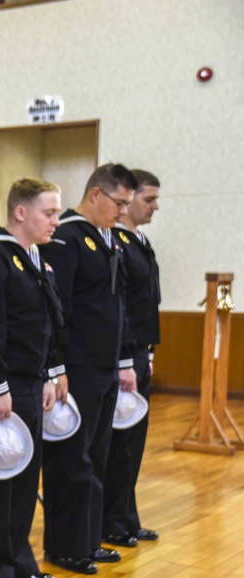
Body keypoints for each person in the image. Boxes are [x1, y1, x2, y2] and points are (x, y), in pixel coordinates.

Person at [38, 163, 139, 575]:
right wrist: (56, 364)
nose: (123, 212)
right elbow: (58, 306)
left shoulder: (108, 238)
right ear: (96, 194)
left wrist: (122, 359)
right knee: (72, 459)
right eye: (119, 203)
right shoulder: (67, 237)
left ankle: (88, 537)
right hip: (76, 366)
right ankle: (66, 546)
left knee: (97, 456)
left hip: (104, 365)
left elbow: (116, 304)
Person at [0, 178, 64, 578]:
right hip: (2, 385)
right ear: (20, 212)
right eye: (49, 212)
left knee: (25, 478)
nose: (56, 222)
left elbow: (49, 323)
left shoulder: (37, 259)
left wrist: (50, 373)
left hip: (31, 381)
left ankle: (19, 558)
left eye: (58, 212)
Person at [102, 170, 162, 546]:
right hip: (124, 354)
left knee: (134, 442)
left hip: (141, 351)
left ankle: (126, 517)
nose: (155, 207)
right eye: (148, 199)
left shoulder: (139, 241)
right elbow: (120, 307)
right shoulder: (118, 245)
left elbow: (147, 304)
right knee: (118, 444)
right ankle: (111, 520)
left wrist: (148, 353)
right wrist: (126, 359)